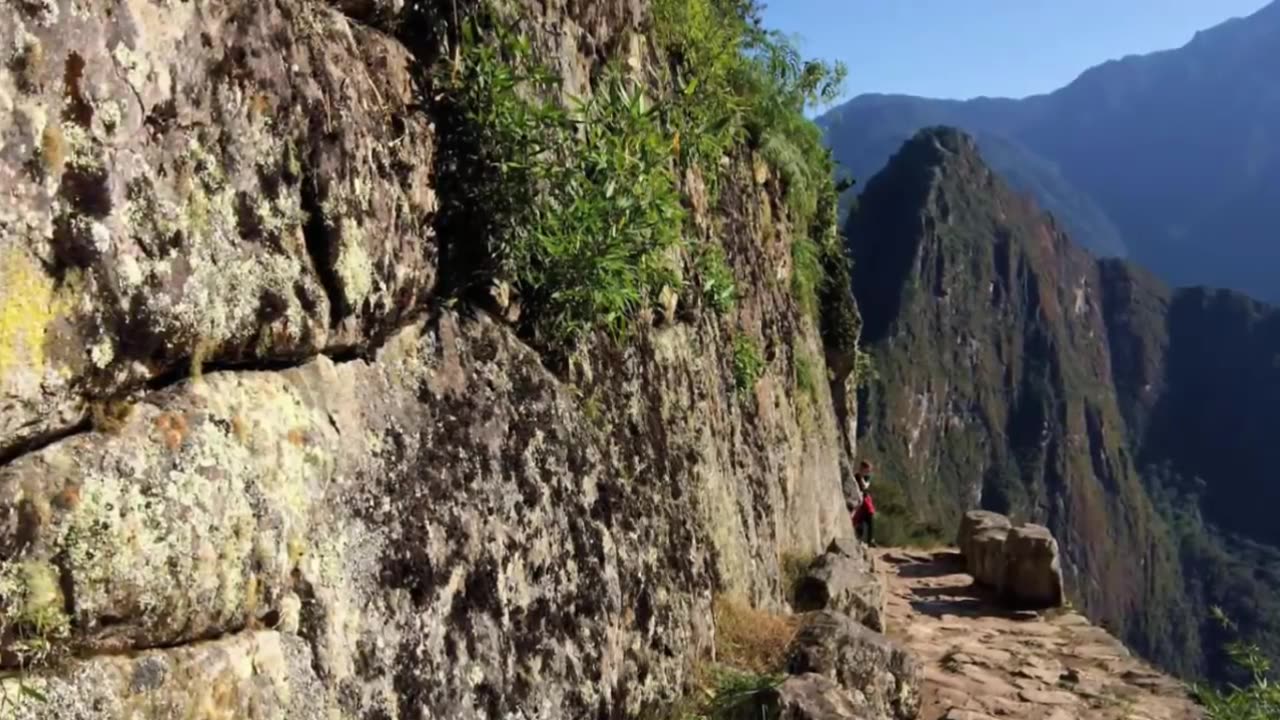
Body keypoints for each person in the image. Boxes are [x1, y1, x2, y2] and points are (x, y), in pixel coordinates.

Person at [852, 460, 876, 547]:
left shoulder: (866, 477)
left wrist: (861, 477)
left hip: (865, 500)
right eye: (867, 469)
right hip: (858, 500)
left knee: (870, 517)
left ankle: (870, 540)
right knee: (859, 521)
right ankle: (859, 539)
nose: (868, 472)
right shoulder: (855, 476)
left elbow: (865, 486)